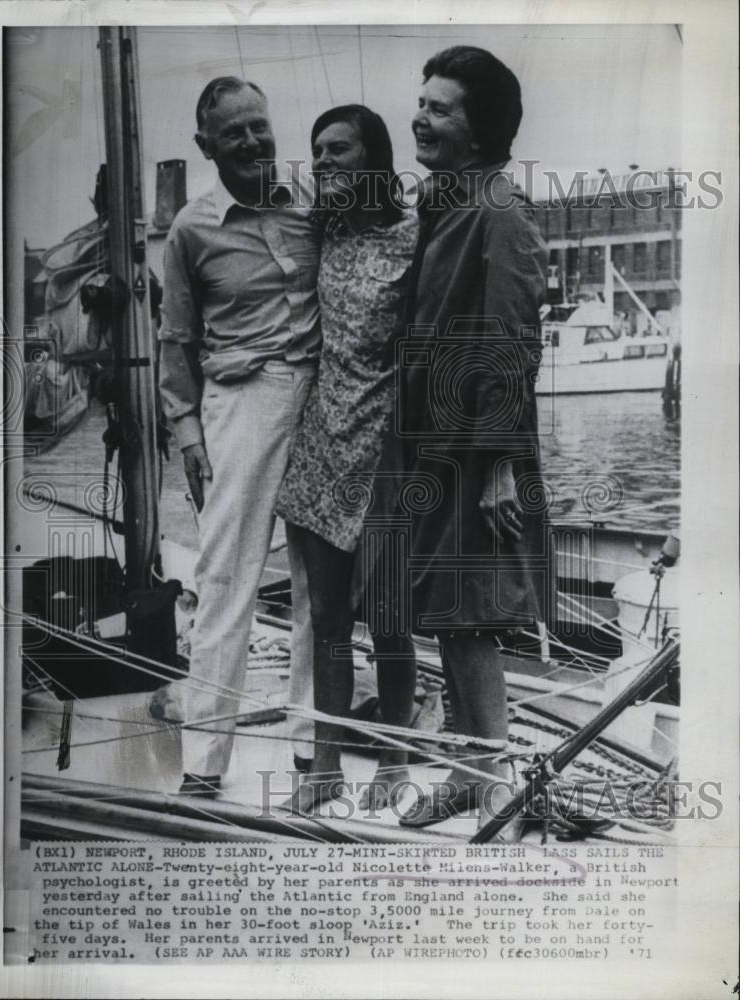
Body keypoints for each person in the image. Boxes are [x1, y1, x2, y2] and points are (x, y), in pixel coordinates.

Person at [391, 46, 549, 829]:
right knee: (446, 610)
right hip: (434, 441)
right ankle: (466, 770)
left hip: (478, 448)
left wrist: (496, 468)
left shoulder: (499, 211)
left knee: (472, 615)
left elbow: (513, 344)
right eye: (420, 103)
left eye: (439, 108)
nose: (419, 118)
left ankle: (494, 783)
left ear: (479, 130)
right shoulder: (443, 202)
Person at [158, 76, 320, 797]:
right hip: (241, 400)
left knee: (320, 581)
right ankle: (204, 763)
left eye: (260, 125)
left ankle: (312, 746)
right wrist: (188, 435)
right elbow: (175, 341)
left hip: (320, 398)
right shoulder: (189, 230)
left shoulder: (314, 202)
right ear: (206, 147)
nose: (254, 141)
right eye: (235, 133)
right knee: (226, 580)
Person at [275, 105, 419, 814]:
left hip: (384, 450)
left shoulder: (413, 236)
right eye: (317, 150)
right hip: (321, 445)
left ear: (374, 157)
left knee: (389, 616)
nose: (324, 161)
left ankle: (394, 761)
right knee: (327, 617)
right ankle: (326, 768)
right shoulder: (323, 230)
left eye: (339, 149)